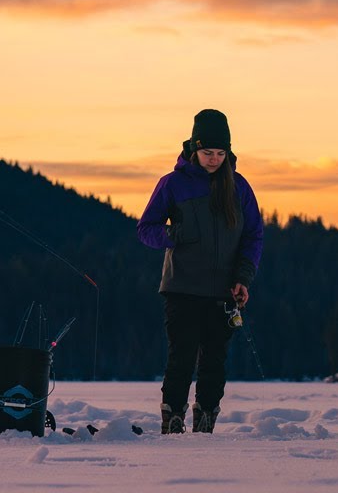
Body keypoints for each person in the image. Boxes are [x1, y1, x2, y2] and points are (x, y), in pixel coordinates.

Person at [137, 109, 264, 434]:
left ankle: (206, 419)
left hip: (225, 291)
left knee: (214, 362)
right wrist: (171, 235)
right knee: (181, 358)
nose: (214, 159)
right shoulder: (173, 184)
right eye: (208, 152)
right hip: (181, 288)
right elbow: (145, 229)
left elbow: (253, 236)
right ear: (194, 148)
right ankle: (173, 418)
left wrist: (243, 277)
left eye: (221, 153)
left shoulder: (239, 188)